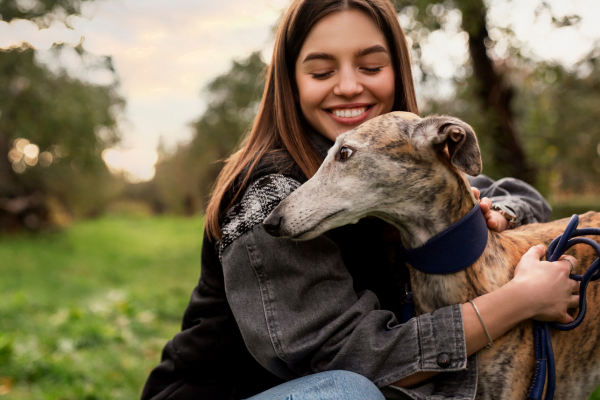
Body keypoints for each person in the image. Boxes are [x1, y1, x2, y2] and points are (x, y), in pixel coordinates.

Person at [141, 1, 579, 399]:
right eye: (321, 72)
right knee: (349, 392)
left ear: (398, 70)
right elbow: (356, 362)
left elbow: (515, 192)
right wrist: (521, 300)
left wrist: (494, 212)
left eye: (371, 66)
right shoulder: (269, 191)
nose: (349, 86)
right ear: (290, 82)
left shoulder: (396, 156)